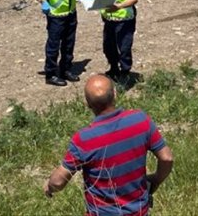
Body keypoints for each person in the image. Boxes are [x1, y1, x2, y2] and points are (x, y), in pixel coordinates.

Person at [44, 74, 173, 213]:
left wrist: (49, 186)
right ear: (115, 94)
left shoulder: (83, 140)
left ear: (87, 103)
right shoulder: (140, 120)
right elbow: (166, 158)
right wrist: (156, 179)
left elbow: (58, 181)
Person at [25, 0, 81, 86]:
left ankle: (66, 69)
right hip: (56, 16)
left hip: (71, 12)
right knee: (53, 45)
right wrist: (41, 0)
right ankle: (50, 73)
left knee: (69, 44)